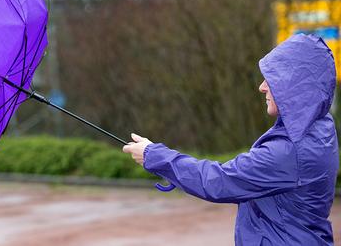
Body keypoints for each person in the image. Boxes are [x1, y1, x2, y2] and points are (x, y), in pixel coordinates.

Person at [123, 33, 339, 245]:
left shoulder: (289, 152)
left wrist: (154, 156)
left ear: (295, 86)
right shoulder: (320, 126)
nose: (261, 86)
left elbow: (219, 180)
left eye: (273, 79)